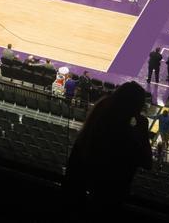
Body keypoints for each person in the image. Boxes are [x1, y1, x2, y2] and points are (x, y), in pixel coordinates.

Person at [65, 82, 152, 216]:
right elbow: (147, 163)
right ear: (135, 108)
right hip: (108, 202)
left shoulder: (95, 125)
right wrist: (143, 132)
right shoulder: (125, 137)